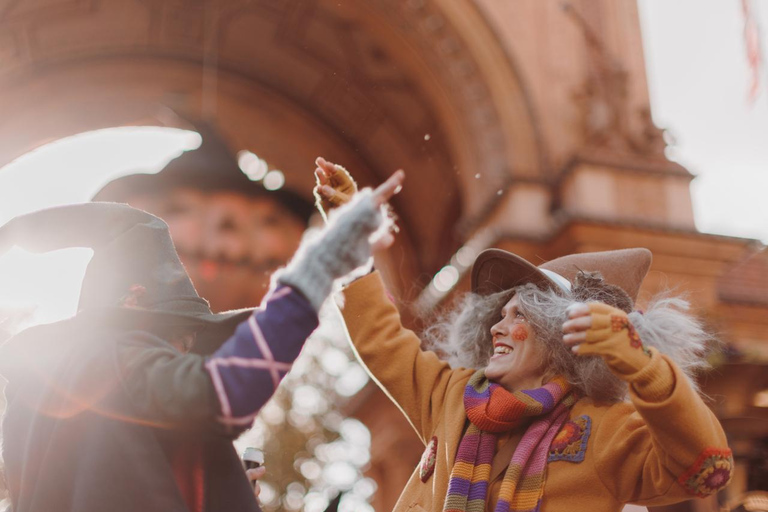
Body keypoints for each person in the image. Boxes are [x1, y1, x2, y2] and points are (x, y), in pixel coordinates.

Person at [314, 159, 733, 512]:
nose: (496, 327)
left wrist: (644, 367)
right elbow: (381, 339)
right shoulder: (453, 397)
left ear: (558, 335)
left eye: (519, 316)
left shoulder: (609, 431)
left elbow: (704, 469)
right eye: (499, 314)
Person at [0, 169, 403, 512]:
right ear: (133, 301)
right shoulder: (112, 357)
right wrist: (319, 268)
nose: (184, 351)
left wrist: (212, 485)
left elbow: (113, 478)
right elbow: (222, 393)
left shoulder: (49, 389)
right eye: (179, 335)